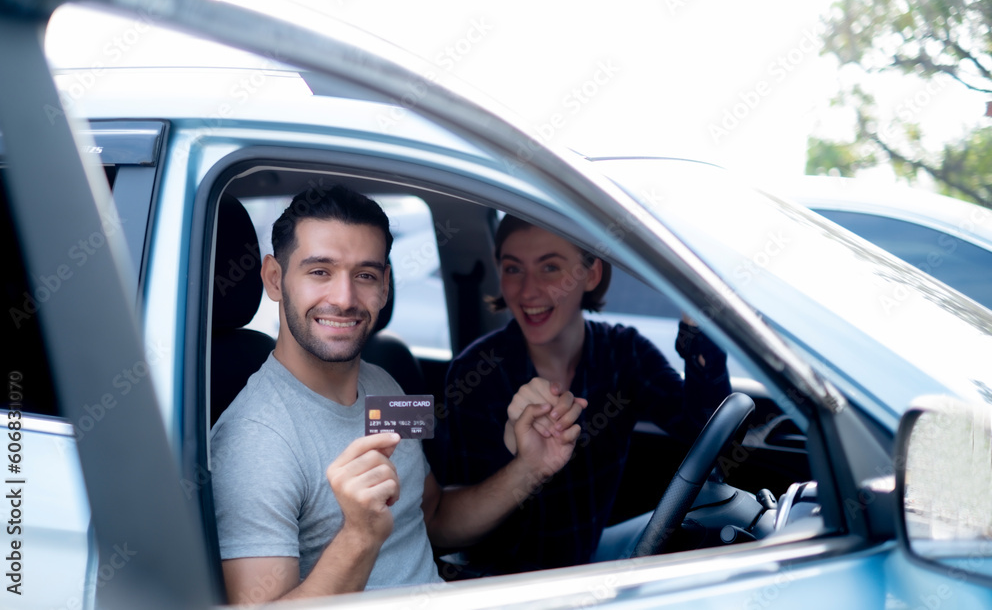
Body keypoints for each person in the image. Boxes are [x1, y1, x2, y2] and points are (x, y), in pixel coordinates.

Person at [211, 187, 584, 604]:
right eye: (320, 272)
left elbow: (432, 516)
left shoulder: (386, 385)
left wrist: (531, 467)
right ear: (275, 279)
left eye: (365, 275)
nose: (345, 298)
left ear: (385, 285)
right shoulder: (253, 439)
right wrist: (360, 535)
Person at [431, 214, 731, 574]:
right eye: (513, 269)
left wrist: (698, 326)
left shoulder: (624, 353)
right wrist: (516, 457)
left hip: (590, 557)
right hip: (508, 584)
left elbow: (707, 432)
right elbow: (457, 528)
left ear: (591, 274)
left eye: (550, 268)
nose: (528, 291)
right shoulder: (476, 372)